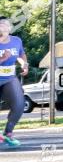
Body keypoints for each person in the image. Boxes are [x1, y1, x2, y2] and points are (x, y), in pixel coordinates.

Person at [0, 17, 28, 148]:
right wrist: (2, 58)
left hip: (9, 77)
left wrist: (24, 64)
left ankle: (8, 133)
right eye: (1, 24)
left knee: (19, 104)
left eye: (6, 24)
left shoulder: (17, 40)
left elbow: (21, 54)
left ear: (10, 28)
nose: (4, 26)